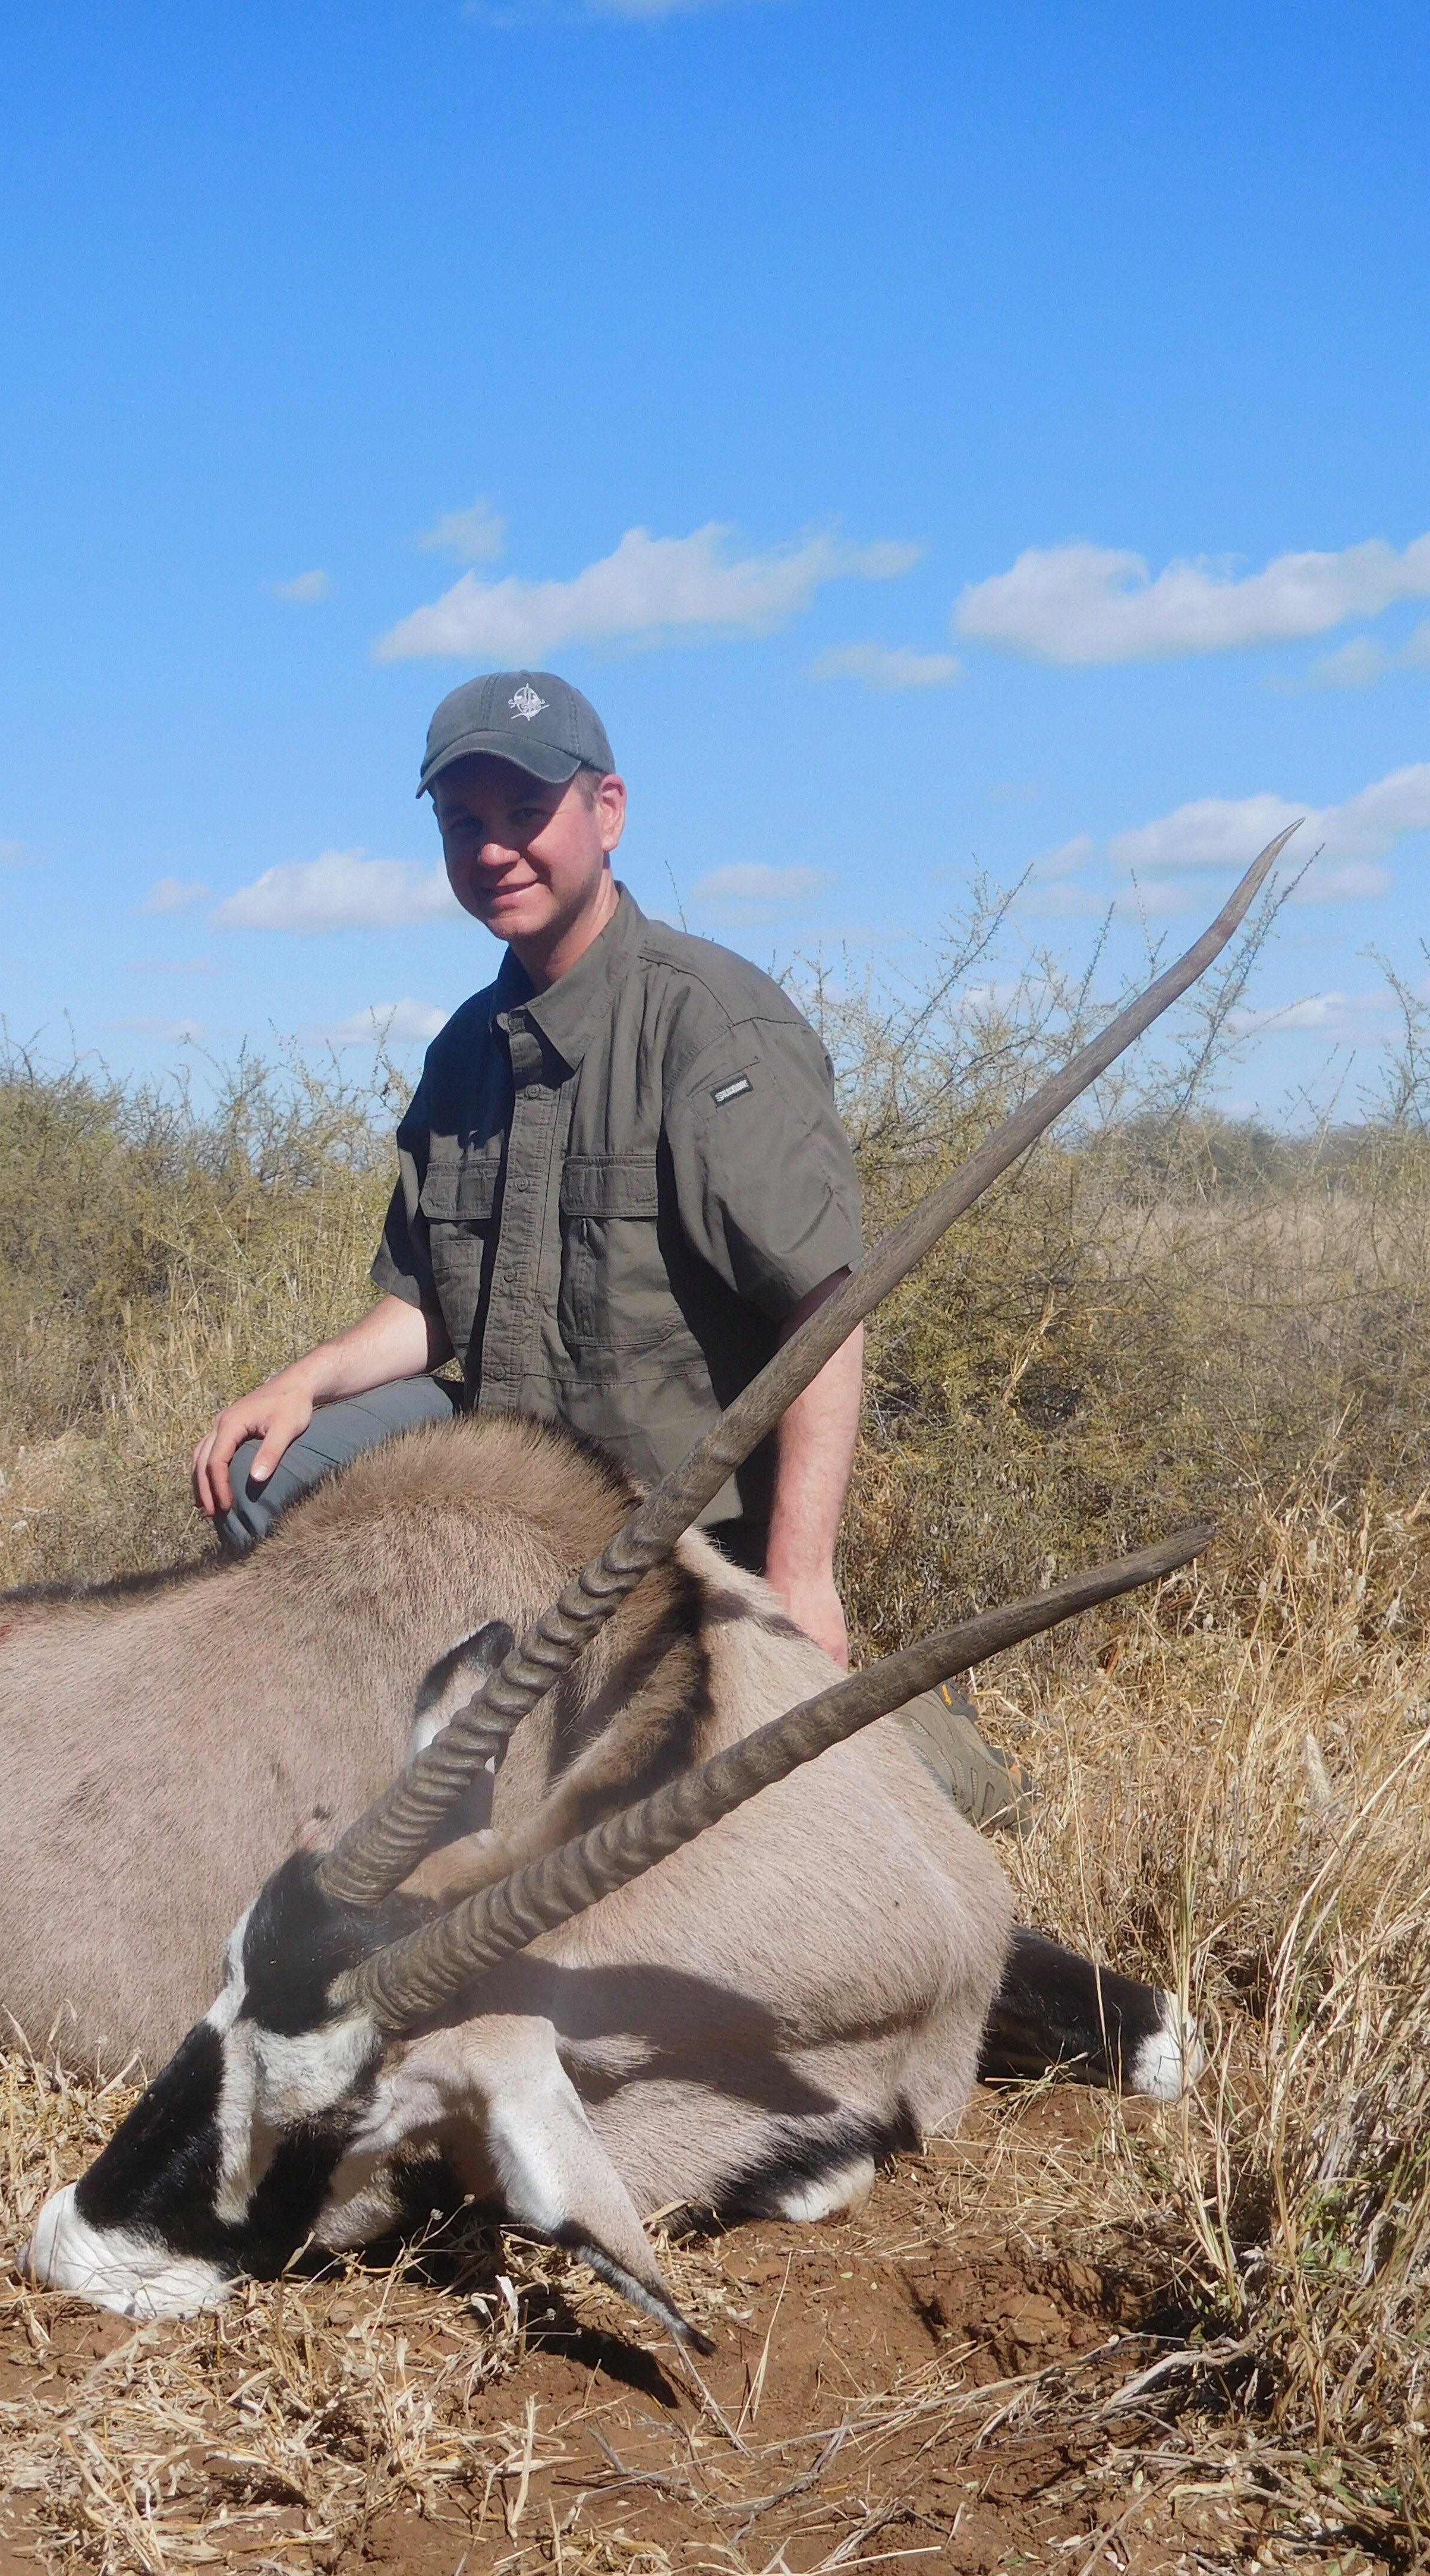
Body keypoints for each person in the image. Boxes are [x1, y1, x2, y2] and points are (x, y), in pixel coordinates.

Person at [193, 669, 1028, 1830]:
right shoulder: (462, 1053)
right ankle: (382, 1756)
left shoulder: (712, 1023)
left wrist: (801, 1582)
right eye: (463, 825)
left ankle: (909, 1730)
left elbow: (825, 1312)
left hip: (678, 1521)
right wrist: (300, 1382)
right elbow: (428, 1307)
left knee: (841, 1805)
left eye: (525, 814)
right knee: (258, 1476)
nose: (495, 850)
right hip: (507, 1494)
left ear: (609, 812)